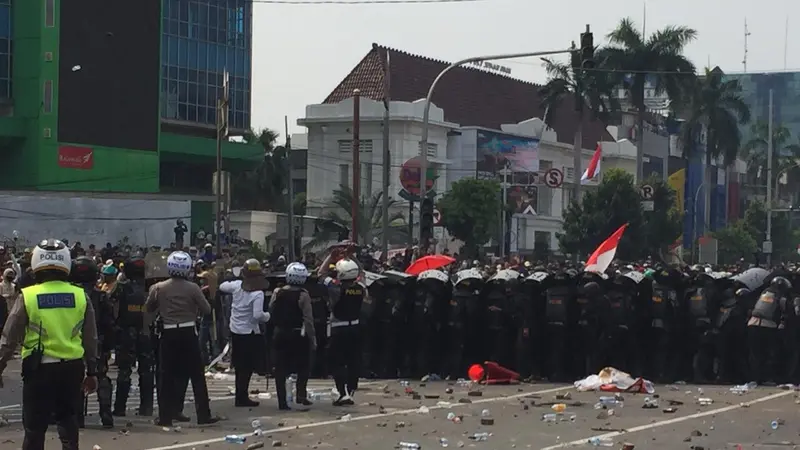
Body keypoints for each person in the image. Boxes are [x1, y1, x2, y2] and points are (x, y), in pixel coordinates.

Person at [0, 238, 99, 450]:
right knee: (68, 425)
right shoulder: (80, 296)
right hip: (72, 369)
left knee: (35, 429)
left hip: (39, 370)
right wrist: (92, 372)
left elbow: (8, 339)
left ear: (36, 263)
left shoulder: (28, 296)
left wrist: (0, 365)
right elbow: (90, 339)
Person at [145, 250, 219, 427]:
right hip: (188, 332)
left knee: (166, 376)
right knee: (197, 376)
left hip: (168, 334)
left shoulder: (158, 288)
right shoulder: (193, 288)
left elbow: (149, 308)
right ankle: (203, 415)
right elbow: (207, 309)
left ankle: (165, 417)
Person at [70, 256, 115, 428]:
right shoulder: (101, 296)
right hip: (98, 344)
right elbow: (109, 323)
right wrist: (109, 345)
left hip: (74, 343)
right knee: (101, 376)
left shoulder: (70, 296)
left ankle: (77, 417)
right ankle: (106, 413)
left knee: (76, 380)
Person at [219, 258, 270, 407]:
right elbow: (257, 315)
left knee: (240, 366)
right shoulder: (258, 293)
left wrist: (235, 278)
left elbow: (222, 286)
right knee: (247, 367)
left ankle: (240, 395)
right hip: (250, 333)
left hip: (236, 331)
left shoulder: (236, 286)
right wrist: (268, 316)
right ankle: (242, 396)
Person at [113, 256, 155, 417]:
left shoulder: (121, 288)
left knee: (124, 371)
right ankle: (147, 407)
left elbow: (113, 307)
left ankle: (120, 408)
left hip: (126, 333)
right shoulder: (151, 287)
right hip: (145, 332)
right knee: (146, 370)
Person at [269, 262, 315, 410]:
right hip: (297, 334)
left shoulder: (278, 292)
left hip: (280, 332)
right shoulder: (303, 295)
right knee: (303, 365)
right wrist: (312, 338)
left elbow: (271, 310)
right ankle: (301, 395)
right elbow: (308, 319)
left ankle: (282, 401)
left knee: (280, 368)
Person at [324, 258, 363, 406]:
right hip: (355, 327)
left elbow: (321, 274)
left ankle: (342, 392)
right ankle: (350, 391)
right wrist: (352, 257)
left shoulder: (336, 289)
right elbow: (362, 272)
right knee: (353, 362)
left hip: (339, 328)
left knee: (336, 361)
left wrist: (331, 256)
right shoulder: (360, 287)